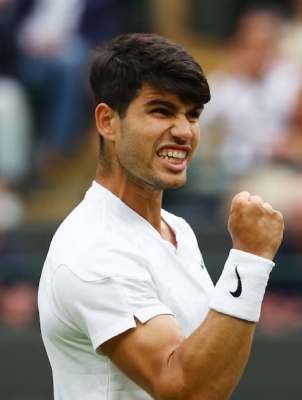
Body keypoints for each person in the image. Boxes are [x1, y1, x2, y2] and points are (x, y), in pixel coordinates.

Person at [37, 33, 284, 399]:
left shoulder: (177, 229)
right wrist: (249, 260)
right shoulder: (94, 249)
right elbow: (185, 389)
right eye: (161, 111)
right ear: (108, 122)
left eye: (192, 115)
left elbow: (212, 369)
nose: (184, 131)